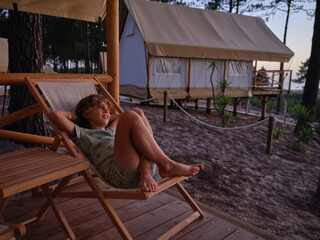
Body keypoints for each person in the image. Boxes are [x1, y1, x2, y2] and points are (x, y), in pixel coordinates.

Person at [49, 94, 202, 192]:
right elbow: (54, 115)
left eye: (108, 109)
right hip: (119, 173)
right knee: (130, 115)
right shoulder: (82, 133)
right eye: (101, 108)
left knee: (138, 112)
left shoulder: (111, 130)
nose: (107, 111)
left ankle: (147, 169)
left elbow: (125, 116)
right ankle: (166, 165)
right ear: (86, 113)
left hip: (138, 169)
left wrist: (106, 115)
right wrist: (75, 114)